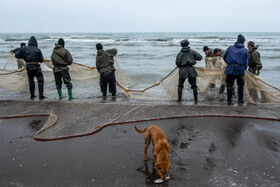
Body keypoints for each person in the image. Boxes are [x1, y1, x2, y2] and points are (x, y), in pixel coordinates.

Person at [223, 34, 249, 105]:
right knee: (240, 86)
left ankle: (229, 101)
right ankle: (240, 101)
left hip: (230, 69)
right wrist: (244, 68)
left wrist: (229, 63)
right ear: (243, 42)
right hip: (240, 69)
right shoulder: (245, 50)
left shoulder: (230, 48)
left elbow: (224, 57)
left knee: (229, 85)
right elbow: (247, 62)